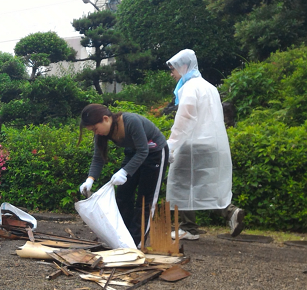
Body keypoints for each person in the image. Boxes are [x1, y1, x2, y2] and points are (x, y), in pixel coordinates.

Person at [165, 49, 245, 240]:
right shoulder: (209, 87)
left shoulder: (190, 87)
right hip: (211, 143)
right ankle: (230, 211)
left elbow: (185, 118)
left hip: (192, 144)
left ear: (184, 66)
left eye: (173, 69)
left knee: (181, 184)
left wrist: (172, 144)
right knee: (203, 184)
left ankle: (188, 228)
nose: (172, 73)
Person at [78, 103, 169, 246]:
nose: (96, 133)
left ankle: (137, 243)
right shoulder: (102, 133)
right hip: (134, 152)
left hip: (155, 152)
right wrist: (90, 179)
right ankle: (123, 239)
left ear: (106, 118)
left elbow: (143, 151)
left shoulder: (131, 121)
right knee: (122, 195)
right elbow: (98, 157)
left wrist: (125, 171)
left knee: (145, 200)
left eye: (95, 128)